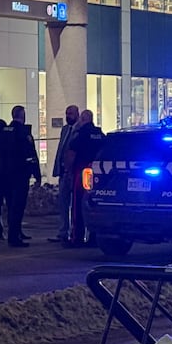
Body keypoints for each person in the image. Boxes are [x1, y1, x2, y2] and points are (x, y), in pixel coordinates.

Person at [2, 105, 41, 248]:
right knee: (18, 206)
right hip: (20, 174)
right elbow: (31, 153)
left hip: (6, 174)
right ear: (22, 115)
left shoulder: (5, 131)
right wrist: (37, 174)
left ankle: (16, 232)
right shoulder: (23, 133)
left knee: (11, 204)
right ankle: (14, 236)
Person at [65, 108, 105, 247]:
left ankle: (77, 237)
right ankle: (94, 238)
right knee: (94, 204)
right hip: (97, 173)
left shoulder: (81, 134)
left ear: (82, 119)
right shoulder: (99, 134)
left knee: (78, 204)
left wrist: (68, 170)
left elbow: (71, 152)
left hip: (82, 172)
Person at [49, 104, 79, 243]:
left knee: (74, 203)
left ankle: (75, 231)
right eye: (67, 114)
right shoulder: (65, 129)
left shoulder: (80, 130)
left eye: (71, 114)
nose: (68, 116)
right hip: (63, 172)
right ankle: (63, 231)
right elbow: (61, 150)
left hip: (74, 172)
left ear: (77, 114)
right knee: (63, 202)